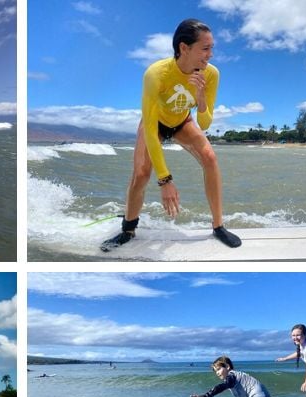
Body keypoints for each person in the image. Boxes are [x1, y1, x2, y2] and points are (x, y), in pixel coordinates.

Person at [102, 19, 241, 252]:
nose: (211, 55)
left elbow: (205, 122)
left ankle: (218, 227)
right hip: (154, 123)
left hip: (182, 121)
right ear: (184, 48)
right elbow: (148, 124)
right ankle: (128, 228)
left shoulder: (211, 74)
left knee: (210, 158)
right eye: (205, 48)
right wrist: (165, 180)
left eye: (211, 48)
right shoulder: (157, 74)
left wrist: (201, 96)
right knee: (141, 174)